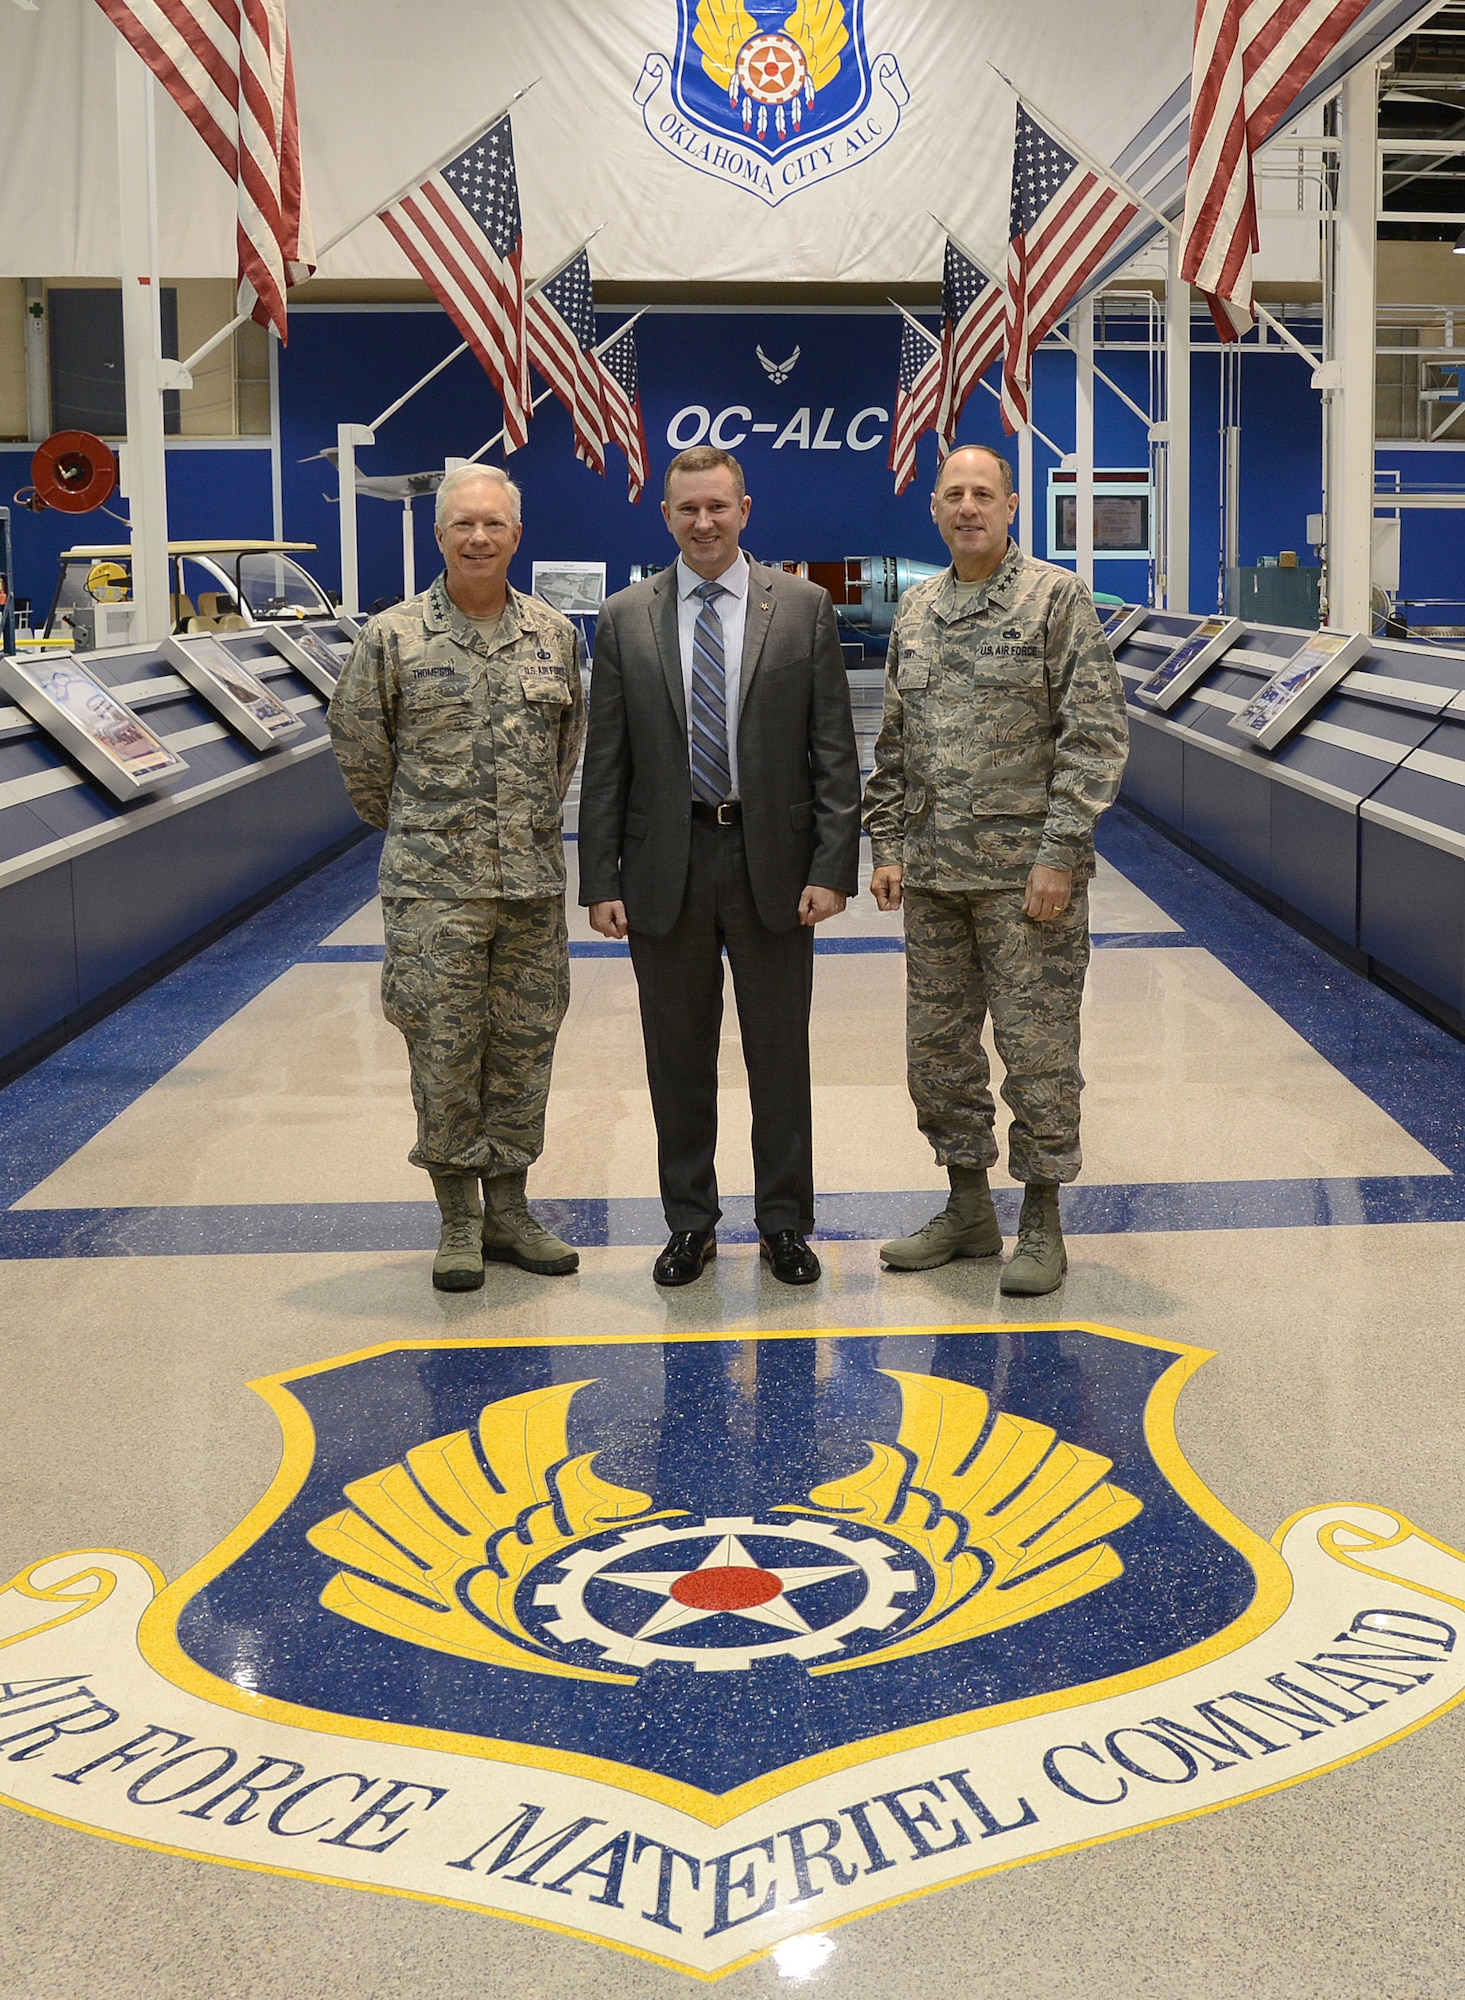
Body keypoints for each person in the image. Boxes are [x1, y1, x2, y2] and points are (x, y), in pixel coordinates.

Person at [578, 444, 860, 1287]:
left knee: (779, 1056)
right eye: (687, 508)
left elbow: (833, 752)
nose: (703, 522)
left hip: (772, 864)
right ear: (665, 516)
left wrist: (832, 866)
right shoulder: (626, 615)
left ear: (745, 509)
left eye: (718, 506)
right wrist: (599, 879)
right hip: (665, 863)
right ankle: (689, 1223)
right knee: (677, 1055)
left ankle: (783, 1223)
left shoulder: (803, 608)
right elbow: (607, 761)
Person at [862, 444, 1128, 1296]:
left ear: (1011, 506)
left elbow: (1093, 738)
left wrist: (1058, 854)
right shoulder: (918, 610)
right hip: (935, 878)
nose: (968, 507)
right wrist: (888, 845)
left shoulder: (1055, 600)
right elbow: (895, 744)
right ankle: (968, 1206)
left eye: (983, 493)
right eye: (953, 495)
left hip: (1027, 886)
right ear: (933, 511)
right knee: (937, 1053)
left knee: (1037, 1050)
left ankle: (1042, 1221)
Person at [327, 464, 585, 1292]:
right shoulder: (392, 637)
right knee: (442, 1052)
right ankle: (458, 1218)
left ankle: (509, 1208)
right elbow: (363, 757)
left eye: (494, 525)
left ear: (517, 534)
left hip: (530, 889)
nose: (479, 538)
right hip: (432, 894)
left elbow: (564, 752)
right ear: (439, 537)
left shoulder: (554, 635)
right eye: (463, 525)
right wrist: (424, 831)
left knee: (522, 1049)